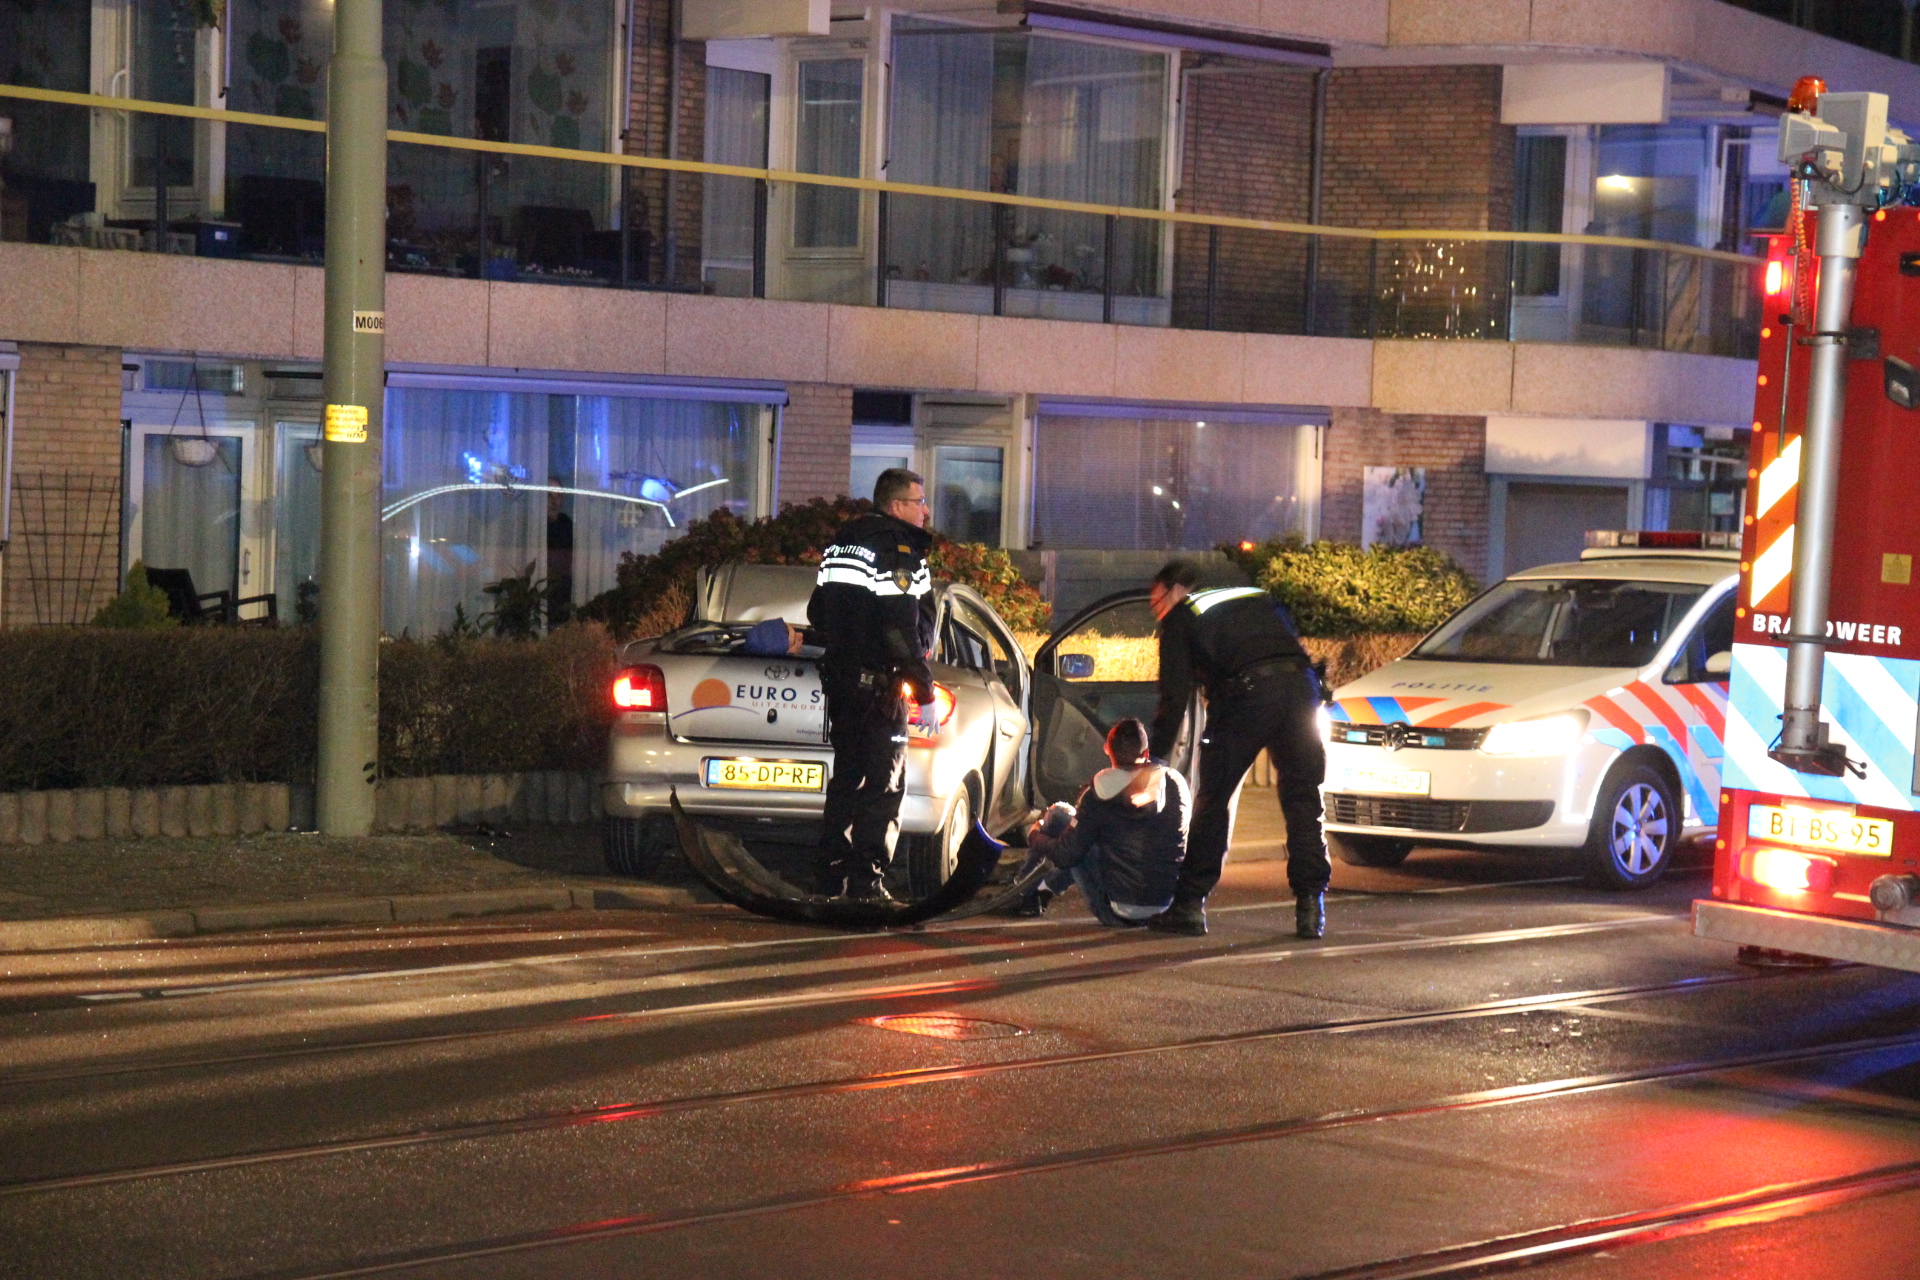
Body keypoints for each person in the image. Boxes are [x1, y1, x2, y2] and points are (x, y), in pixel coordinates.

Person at [1146, 560, 1330, 939]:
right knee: (1304, 800)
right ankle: (1311, 908)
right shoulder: (1260, 599)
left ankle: (1189, 905)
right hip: (1301, 692)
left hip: (1245, 698)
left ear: (1176, 589)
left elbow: (1175, 696)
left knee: (1213, 800)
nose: (1158, 611)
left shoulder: (1184, 616)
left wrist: (1156, 759)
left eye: (1156, 602)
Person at [806, 468, 936, 901]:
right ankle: (866, 884)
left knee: (847, 780)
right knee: (883, 786)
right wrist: (922, 686)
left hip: (843, 686)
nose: (925, 510)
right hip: (881, 689)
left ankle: (829, 879)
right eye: (919, 501)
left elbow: (818, 613)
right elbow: (902, 626)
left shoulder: (842, 542)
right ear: (897, 505)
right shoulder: (897, 549)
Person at [1023, 718, 1190, 926]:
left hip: (1118, 913)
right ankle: (1044, 889)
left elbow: (1066, 856)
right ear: (1146, 753)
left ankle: (1023, 894)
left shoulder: (1099, 794)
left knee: (1059, 815)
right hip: (1167, 909)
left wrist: (1034, 835)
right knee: (1085, 837)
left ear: (1107, 751)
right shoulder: (1176, 782)